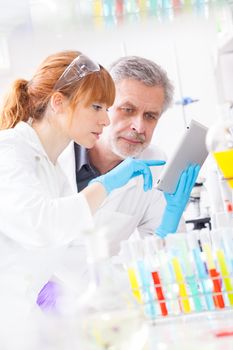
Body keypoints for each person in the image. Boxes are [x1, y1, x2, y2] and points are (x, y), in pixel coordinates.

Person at [0, 51, 165, 309]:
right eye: (97, 107)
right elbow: (41, 224)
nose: (106, 119)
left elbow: (82, 257)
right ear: (58, 103)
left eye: (107, 108)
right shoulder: (9, 150)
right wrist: (106, 185)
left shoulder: (54, 173)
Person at [59, 56, 200, 256]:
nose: (139, 127)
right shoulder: (57, 153)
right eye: (127, 110)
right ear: (101, 106)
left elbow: (165, 257)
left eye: (150, 116)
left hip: (104, 284)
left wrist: (172, 220)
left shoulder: (155, 164)